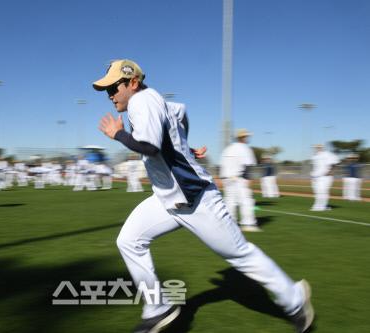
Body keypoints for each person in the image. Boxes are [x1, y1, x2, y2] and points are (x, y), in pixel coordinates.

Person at [94, 59, 314, 333]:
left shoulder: (141, 102)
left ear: (133, 83)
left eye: (114, 87)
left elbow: (149, 147)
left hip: (195, 199)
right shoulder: (152, 101)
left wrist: (118, 135)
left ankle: (295, 299)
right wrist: (183, 145)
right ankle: (157, 309)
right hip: (168, 199)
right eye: (106, 91)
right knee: (128, 240)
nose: (110, 95)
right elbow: (180, 112)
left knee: (240, 254)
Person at [219, 129, 260, 232]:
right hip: (239, 178)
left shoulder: (228, 148)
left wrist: (223, 178)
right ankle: (248, 224)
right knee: (246, 201)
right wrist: (249, 178)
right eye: (246, 136)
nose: (247, 138)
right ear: (243, 137)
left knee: (229, 202)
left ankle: (230, 224)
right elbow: (248, 165)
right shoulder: (245, 148)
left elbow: (222, 165)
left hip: (227, 179)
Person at [310, 144, 340, 211]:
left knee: (323, 191)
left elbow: (335, 162)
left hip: (325, 177)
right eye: (316, 147)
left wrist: (331, 172)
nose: (317, 148)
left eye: (319, 147)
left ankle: (323, 206)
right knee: (317, 192)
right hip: (315, 177)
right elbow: (315, 166)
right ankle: (317, 206)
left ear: (323, 148)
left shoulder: (327, 154)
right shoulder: (314, 156)